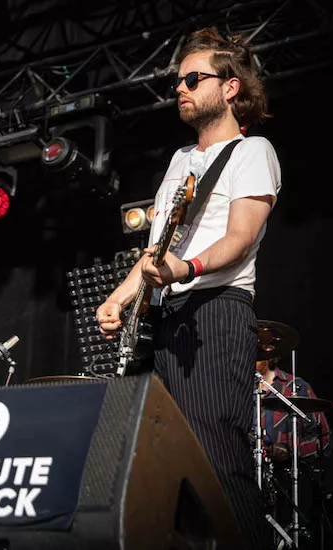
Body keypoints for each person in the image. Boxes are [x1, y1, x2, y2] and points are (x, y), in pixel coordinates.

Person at [95, 28, 280, 549]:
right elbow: (155, 253)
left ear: (229, 87)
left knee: (217, 457)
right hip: (167, 317)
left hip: (216, 312)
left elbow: (240, 238)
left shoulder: (252, 151)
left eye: (193, 79)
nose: (180, 88)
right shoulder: (181, 161)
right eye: (177, 81)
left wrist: (187, 267)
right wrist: (118, 299)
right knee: (164, 464)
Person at [257, 358, 333, 462]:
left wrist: (289, 450)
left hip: (284, 473)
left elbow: (324, 439)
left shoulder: (297, 387)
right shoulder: (236, 389)